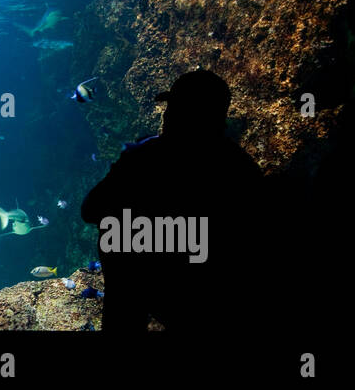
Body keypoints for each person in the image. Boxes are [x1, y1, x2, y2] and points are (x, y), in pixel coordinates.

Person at [80, 70, 266, 334]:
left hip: (155, 288)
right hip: (220, 299)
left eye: (172, 108)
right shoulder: (241, 167)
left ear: (179, 113)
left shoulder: (146, 158)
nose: (165, 114)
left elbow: (90, 210)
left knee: (116, 233)